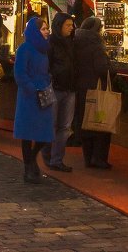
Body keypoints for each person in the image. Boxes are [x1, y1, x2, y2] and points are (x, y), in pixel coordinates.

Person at [14, 16, 55, 184]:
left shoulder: (44, 49)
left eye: (46, 29)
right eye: (43, 29)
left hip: (44, 93)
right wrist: (32, 87)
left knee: (44, 134)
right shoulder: (25, 49)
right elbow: (20, 73)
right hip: (29, 96)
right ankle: (28, 167)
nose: (46, 32)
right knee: (27, 133)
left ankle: (31, 159)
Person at [73, 16, 117, 169]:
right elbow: (102, 68)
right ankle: (99, 158)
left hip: (81, 89)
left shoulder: (76, 42)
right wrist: (112, 69)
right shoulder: (96, 45)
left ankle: (88, 157)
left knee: (85, 123)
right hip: (97, 92)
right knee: (100, 123)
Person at [43, 12, 76, 172]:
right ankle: (48, 154)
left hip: (70, 89)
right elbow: (46, 66)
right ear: (59, 26)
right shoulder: (50, 44)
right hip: (55, 88)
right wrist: (51, 79)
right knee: (52, 124)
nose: (71, 28)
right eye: (68, 25)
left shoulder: (72, 43)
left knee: (65, 126)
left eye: (72, 25)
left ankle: (57, 159)